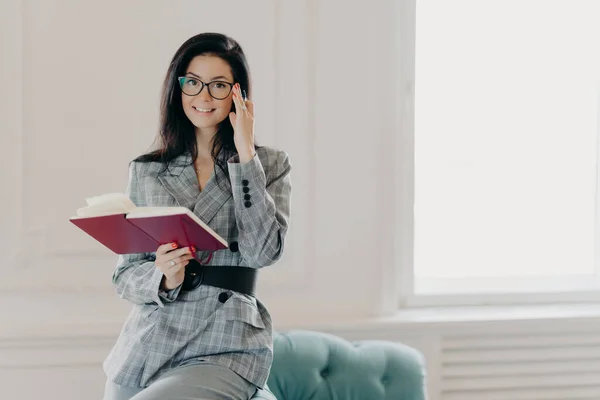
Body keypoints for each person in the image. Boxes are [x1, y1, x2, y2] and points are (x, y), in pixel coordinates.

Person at [102, 32, 291, 400]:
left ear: (238, 93)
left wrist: (245, 155)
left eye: (218, 85)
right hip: (148, 344)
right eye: (193, 83)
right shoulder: (147, 171)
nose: (203, 96)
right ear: (179, 89)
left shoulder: (268, 164)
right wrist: (164, 275)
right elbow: (125, 276)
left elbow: (263, 252)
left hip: (224, 343)